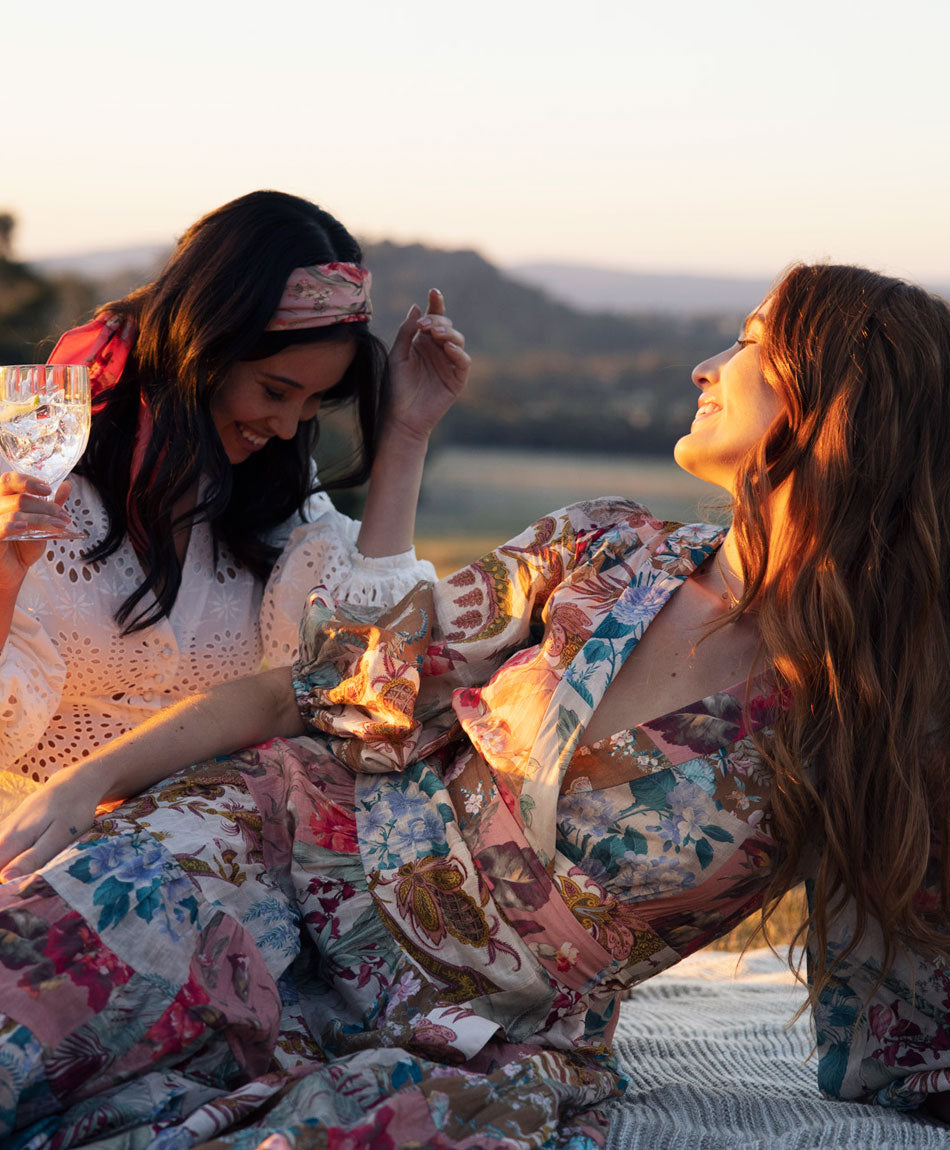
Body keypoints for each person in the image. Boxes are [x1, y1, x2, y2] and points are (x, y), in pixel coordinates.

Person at [1, 263, 949, 1149]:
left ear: (837, 397)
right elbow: (316, 687)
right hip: (286, 843)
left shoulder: (887, 714)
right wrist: (93, 783)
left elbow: (912, 1021)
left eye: (747, 343)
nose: (707, 367)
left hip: (478, 1033)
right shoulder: (604, 550)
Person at [0, 189, 469, 800]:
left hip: (219, 861)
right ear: (202, 350)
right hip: (38, 857)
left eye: (311, 403)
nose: (287, 427)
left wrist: (406, 434)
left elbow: (371, 680)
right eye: (275, 392)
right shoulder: (36, 483)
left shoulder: (277, 512)